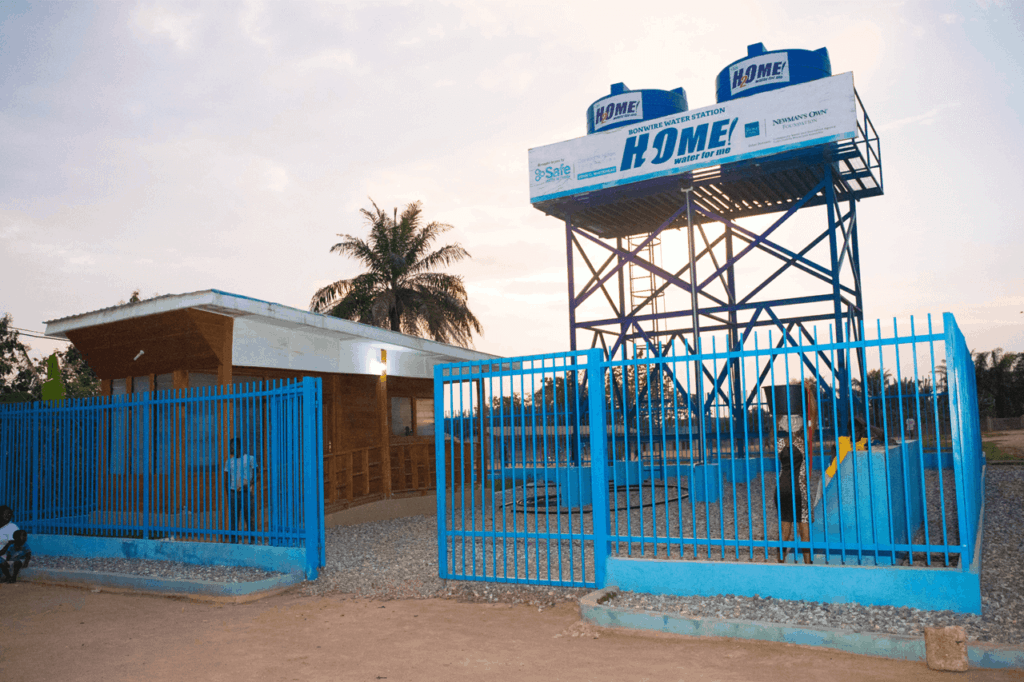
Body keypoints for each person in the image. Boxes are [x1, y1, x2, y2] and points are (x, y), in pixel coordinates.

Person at [223, 438, 256, 543]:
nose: (232, 448)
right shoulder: (229, 462)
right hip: (233, 493)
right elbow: (226, 479)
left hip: (246, 493)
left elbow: (257, 474)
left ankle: (252, 540)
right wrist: (229, 494)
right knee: (233, 518)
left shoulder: (250, 459)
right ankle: (233, 541)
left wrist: (249, 483)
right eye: (231, 446)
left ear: (240, 447)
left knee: (249, 517)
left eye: (234, 446)